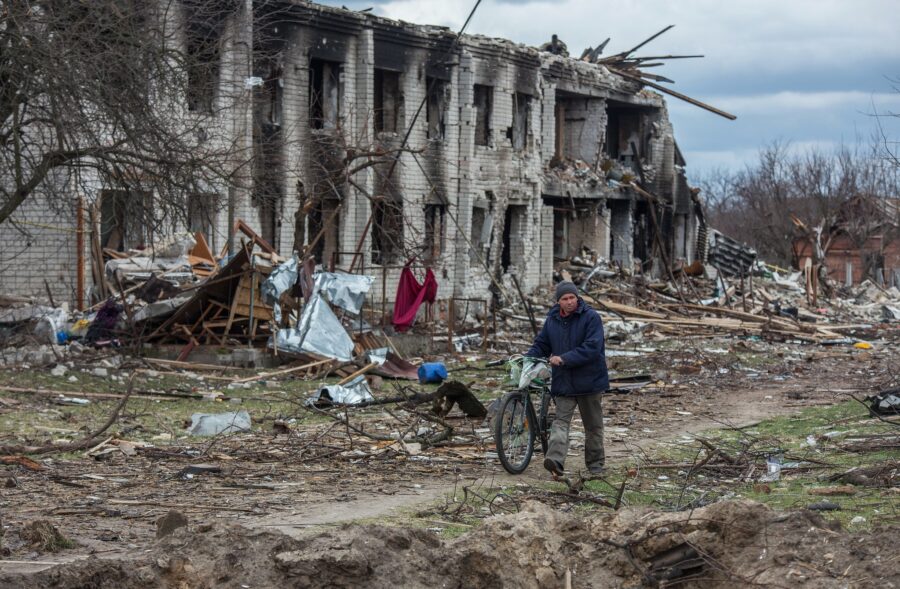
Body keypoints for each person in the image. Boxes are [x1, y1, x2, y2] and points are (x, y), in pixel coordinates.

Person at [525, 280, 609, 476]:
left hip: (590, 381)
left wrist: (564, 358)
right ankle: (555, 461)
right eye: (565, 298)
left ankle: (596, 465)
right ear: (558, 302)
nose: (570, 301)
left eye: (572, 297)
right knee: (560, 422)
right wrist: (528, 357)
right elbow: (542, 344)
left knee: (593, 426)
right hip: (564, 381)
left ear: (577, 298)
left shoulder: (591, 318)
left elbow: (592, 347)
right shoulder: (553, 320)